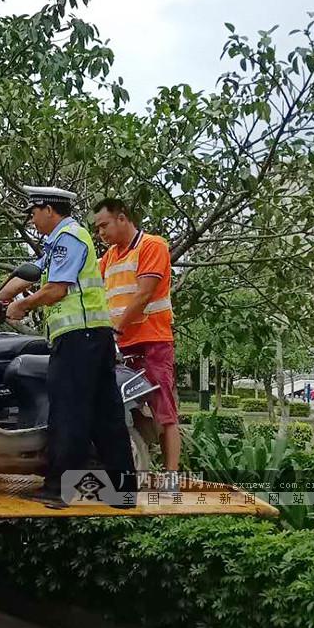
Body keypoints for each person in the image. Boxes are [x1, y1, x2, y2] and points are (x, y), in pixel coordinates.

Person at [0, 186, 135, 505]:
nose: (31, 219)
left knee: (69, 412)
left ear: (49, 210)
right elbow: (29, 275)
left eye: (33, 211)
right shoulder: (60, 241)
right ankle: (123, 492)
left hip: (79, 339)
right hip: (92, 337)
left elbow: (57, 289)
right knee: (106, 415)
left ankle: (60, 490)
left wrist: (23, 306)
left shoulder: (69, 238)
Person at [92, 197, 179, 473]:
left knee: (164, 412)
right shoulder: (110, 257)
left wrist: (115, 328)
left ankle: (171, 475)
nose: (100, 233)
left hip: (152, 342)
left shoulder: (151, 245)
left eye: (104, 225)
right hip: (123, 347)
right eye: (97, 229)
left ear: (122, 218)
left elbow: (144, 293)